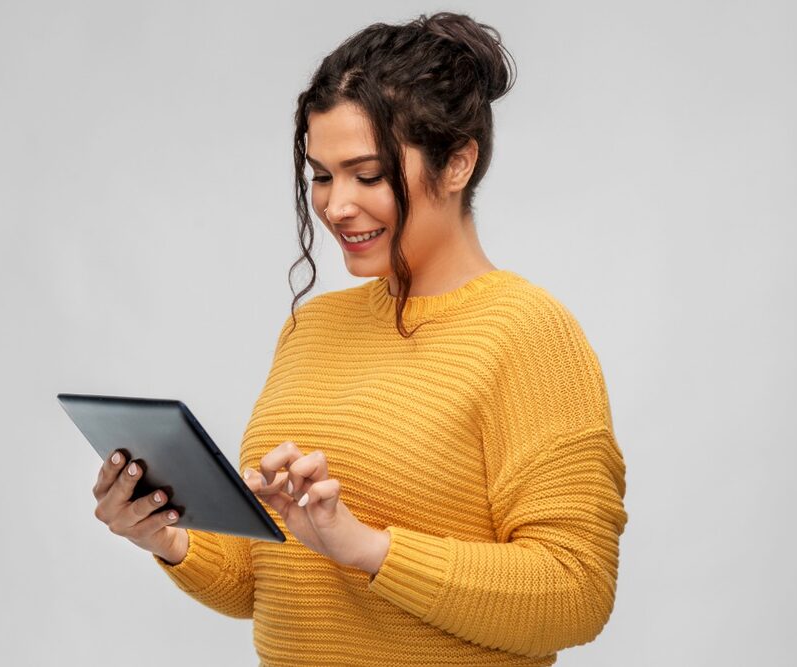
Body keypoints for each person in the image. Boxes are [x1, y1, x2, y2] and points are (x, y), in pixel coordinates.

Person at [93, 11, 629, 667]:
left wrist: (366, 547)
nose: (336, 204)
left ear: (457, 162)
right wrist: (167, 534)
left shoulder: (527, 332)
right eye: (321, 175)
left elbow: (576, 592)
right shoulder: (310, 327)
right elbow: (265, 579)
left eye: (367, 174)